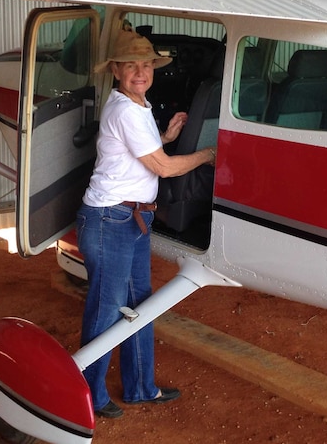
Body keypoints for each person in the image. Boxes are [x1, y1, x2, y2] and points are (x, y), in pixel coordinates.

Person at [77, 27, 216, 419]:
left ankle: (140, 387)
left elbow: (143, 154)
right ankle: (90, 395)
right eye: (132, 66)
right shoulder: (125, 109)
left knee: (140, 304)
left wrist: (166, 134)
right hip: (110, 219)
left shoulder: (136, 105)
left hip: (133, 218)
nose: (141, 71)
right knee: (107, 310)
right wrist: (209, 153)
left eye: (147, 64)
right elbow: (165, 169)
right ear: (117, 70)